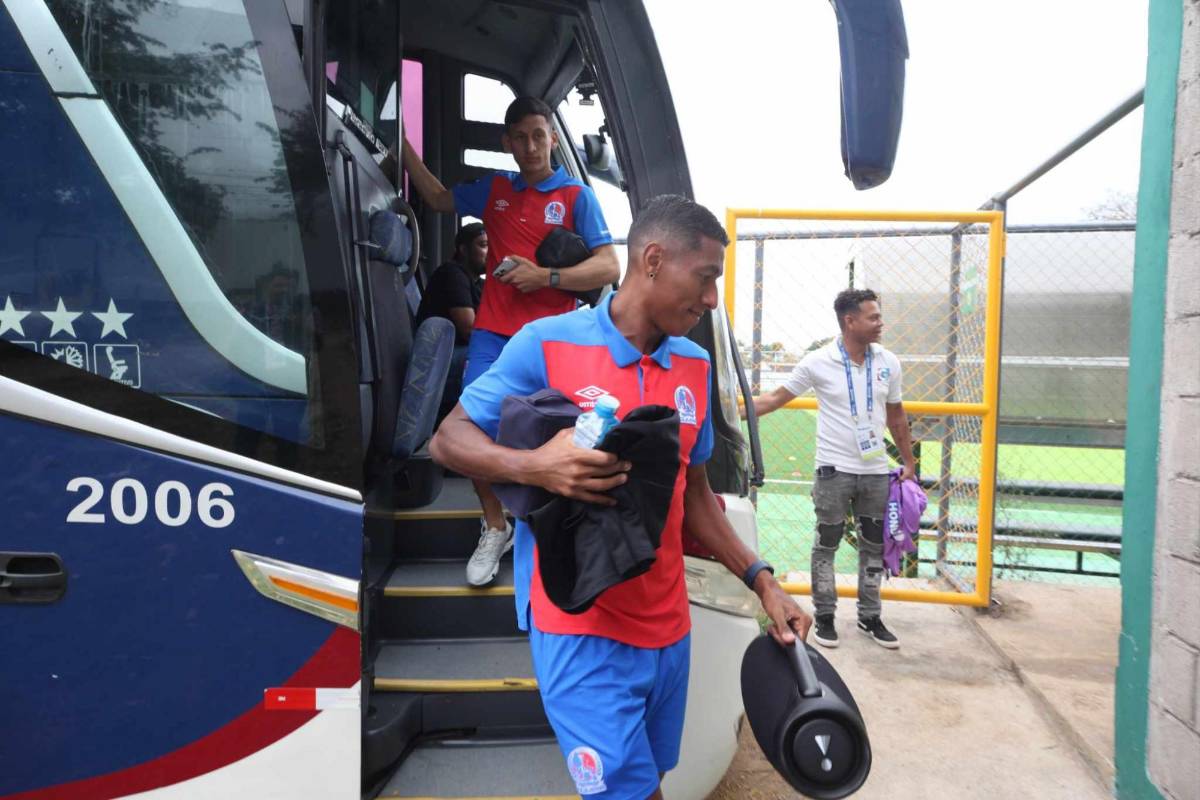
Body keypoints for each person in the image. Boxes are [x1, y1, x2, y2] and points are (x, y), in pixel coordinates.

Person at [430, 195, 811, 800]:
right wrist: (534, 466)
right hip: (579, 628)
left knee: (650, 779)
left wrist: (762, 580)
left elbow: (697, 499)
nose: (712, 298)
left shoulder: (694, 365)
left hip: (667, 629)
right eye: (706, 278)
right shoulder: (545, 343)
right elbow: (448, 439)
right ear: (653, 260)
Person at [399, 95, 620, 586]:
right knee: (470, 428)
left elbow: (609, 266)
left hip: (555, 341)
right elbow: (437, 199)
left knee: (562, 434)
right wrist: (403, 147)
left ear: (552, 138)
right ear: (507, 143)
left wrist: (546, 277)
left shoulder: (576, 197)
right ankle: (495, 524)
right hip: (494, 335)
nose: (531, 146)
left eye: (539, 136)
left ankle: (551, 532)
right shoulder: (495, 189)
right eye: (520, 137)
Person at [747, 288, 916, 650]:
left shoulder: (888, 361)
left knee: (873, 545)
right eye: (873, 317)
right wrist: (729, 411)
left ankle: (870, 616)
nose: (880, 323)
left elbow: (896, 414)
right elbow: (776, 399)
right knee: (827, 544)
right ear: (849, 321)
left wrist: (908, 460)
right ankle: (824, 616)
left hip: (875, 472)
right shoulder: (818, 361)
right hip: (833, 472)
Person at [415, 222, 487, 422]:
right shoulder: (452, 274)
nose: (490, 252)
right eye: (483, 245)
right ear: (463, 250)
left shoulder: (478, 283)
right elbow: (469, 330)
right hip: (442, 359)